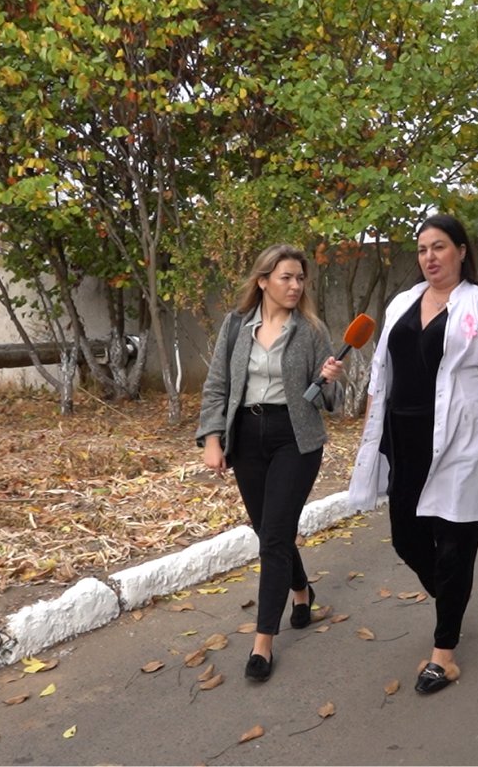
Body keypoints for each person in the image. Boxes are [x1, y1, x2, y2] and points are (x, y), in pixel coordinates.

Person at [347, 213, 478, 695]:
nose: (429, 257)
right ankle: (452, 598)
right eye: (423, 249)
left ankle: (444, 655)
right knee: (406, 538)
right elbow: (381, 370)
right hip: (404, 438)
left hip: (463, 440)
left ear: (461, 251)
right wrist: (368, 430)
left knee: (455, 544)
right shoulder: (402, 302)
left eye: (439, 246)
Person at [196, 243, 344, 683]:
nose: (296, 285)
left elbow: (330, 400)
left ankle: (263, 642)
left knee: (274, 537)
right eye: (286, 277)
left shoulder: (311, 330)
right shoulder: (236, 325)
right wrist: (212, 437)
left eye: (300, 278)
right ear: (263, 281)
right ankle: (301, 591)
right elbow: (217, 384)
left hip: (295, 439)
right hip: (246, 437)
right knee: (269, 531)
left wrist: (330, 380)